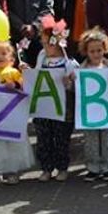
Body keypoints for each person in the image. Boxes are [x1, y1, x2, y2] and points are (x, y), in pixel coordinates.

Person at [0, 41, 34, 184]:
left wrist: (15, 84)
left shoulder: (14, 72)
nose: (0, 57)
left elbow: (25, 87)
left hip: (11, 116)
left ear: (11, 57)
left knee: (12, 143)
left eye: (4, 53)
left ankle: (12, 171)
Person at [31, 16, 76, 182]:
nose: (45, 46)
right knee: (44, 138)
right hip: (43, 107)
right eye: (43, 43)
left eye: (48, 43)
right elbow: (36, 77)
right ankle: (46, 168)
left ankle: (62, 168)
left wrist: (69, 83)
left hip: (62, 109)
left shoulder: (69, 63)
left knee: (61, 139)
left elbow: (77, 86)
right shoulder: (42, 57)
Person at [76, 28, 108, 181]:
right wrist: (70, 81)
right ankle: (93, 168)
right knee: (91, 140)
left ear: (105, 49)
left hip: (107, 110)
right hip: (90, 112)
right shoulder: (81, 70)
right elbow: (75, 90)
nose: (96, 54)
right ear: (86, 52)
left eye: (99, 50)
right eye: (92, 51)